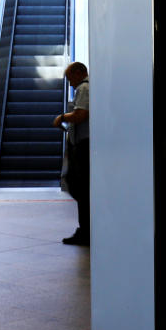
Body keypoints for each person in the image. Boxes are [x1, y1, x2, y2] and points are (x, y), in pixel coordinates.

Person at [54, 62, 90, 245]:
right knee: (79, 187)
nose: (70, 84)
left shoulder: (84, 88)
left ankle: (86, 231)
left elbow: (81, 114)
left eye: (70, 79)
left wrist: (62, 117)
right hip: (84, 144)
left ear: (78, 73)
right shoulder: (88, 87)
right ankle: (86, 229)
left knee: (79, 187)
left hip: (84, 145)